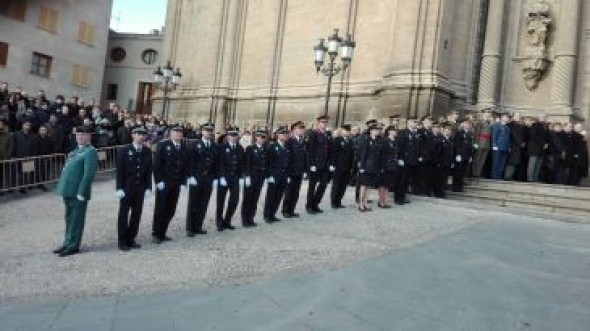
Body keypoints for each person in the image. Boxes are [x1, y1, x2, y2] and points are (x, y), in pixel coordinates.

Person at [53, 126, 98, 257]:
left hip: (78, 191)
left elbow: (88, 174)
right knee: (69, 218)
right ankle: (67, 242)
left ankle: (73, 245)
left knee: (76, 219)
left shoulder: (90, 151)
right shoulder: (74, 151)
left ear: (89, 136)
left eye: (83, 135)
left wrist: (82, 191)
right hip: (68, 190)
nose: (79, 137)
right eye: (78, 135)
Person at [115, 127, 153, 251]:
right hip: (127, 188)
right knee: (123, 215)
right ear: (133, 135)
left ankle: (131, 239)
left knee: (136, 214)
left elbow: (148, 171)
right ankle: (122, 241)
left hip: (140, 188)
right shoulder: (125, 150)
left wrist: (148, 187)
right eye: (138, 134)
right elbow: (120, 171)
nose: (141, 136)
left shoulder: (147, 151)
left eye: (143, 134)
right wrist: (119, 188)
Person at [152, 126, 188, 244]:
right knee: (160, 208)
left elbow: (184, 167)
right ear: (170, 134)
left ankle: (163, 232)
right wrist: (158, 181)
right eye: (175, 132)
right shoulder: (163, 145)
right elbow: (157, 164)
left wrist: (183, 182)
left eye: (180, 132)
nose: (178, 134)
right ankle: (156, 233)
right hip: (164, 183)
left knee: (171, 209)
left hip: (176, 184)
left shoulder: (183, 146)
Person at [186, 123, 218, 235]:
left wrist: (215, 177)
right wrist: (190, 176)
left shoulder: (214, 145)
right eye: (206, 130)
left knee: (204, 203)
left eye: (210, 131)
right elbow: (190, 161)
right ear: (202, 132)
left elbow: (216, 164)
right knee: (193, 203)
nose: (209, 132)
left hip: (209, 178)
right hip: (196, 177)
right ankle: (190, 228)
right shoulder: (195, 144)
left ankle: (198, 226)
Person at [216, 126, 245, 231]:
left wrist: (242, 176)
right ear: (228, 136)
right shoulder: (222, 147)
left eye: (235, 135)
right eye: (231, 135)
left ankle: (227, 220)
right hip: (224, 177)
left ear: (237, 137)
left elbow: (242, 163)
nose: (233, 137)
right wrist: (221, 176)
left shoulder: (240, 148)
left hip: (235, 178)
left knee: (234, 200)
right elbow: (220, 163)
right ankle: (219, 222)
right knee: (220, 201)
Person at [241, 129, 268, 227]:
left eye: (264, 137)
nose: (262, 139)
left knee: (255, 199)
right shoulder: (250, 148)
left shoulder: (264, 149)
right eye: (260, 137)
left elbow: (265, 164)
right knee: (247, 198)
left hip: (259, 177)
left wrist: (265, 177)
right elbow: (247, 163)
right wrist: (247, 176)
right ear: (256, 137)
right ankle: (245, 219)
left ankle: (251, 218)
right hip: (251, 176)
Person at [263, 127, 291, 223]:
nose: (285, 136)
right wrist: (269, 175)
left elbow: (288, 163)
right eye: (283, 134)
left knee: (278, 196)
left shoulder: (287, 147)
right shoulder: (272, 146)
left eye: (286, 134)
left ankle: (273, 214)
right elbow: (268, 162)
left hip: (283, 176)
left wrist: (287, 176)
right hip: (274, 176)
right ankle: (267, 215)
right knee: (270, 196)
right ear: (278, 135)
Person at [306, 115, 332, 214]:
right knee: (312, 186)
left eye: (326, 122)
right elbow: (310, 150)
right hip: (315, 165)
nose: (324, 124)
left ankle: (315, 204)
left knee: (323, 185)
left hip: (324, 165)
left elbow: (328, 150)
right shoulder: (313, 134)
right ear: (318, 123)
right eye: (322, 122)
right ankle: (309, 206)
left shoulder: (327, 135)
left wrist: (330, 163)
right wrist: (311, 164)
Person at [282, 121, 306, 218]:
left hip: (299, 171)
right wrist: (287, 172)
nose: (301, 130)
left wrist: (304, 170)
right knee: (289, 191)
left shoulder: (302, 141)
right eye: (299, 128)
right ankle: (285, 210)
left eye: (302, 128)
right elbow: (287, 158)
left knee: (296, 192)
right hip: (291, 171)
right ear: (294, 130)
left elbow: (304, 157)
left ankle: (292, 210)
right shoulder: (289, 141)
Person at [357, 123, 382, 211]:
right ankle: (360, 204)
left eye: (378, 130)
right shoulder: (367, 140)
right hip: (366, 166)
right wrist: (362, 167)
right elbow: (363, 154)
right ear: (371, 131)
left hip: (374, 167)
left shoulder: (377, 141)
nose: (377, 131)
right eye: (375, 130)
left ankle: (366, 203)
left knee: (368, 186)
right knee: (363, 185)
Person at [330, 124, 355, 209]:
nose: (347, 132)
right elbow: (333, 153)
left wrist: (352, 166)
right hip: (338, 166)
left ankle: (339, 201)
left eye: (348, 131)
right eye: (345, 130)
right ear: (342, 131)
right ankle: (334, 202)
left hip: (347, 167)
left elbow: (352, 155)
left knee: (343, 185)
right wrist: (332, 164)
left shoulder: (350, 141)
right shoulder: (337, 140)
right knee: (336, 185)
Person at [379, 126, 403, 207]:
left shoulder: (395, 141)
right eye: (394, 131)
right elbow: (382, 155)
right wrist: (382, 167)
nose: (396, 132)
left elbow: (396, 153)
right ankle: (381, 201)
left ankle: (385, 201)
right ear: (389, 131)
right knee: (383, 184)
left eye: (396, 131)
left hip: (393, 165)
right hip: (385, 165)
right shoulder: (385, 141)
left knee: (387, 184)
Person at [452, 119, 474, 192]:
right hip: (460, 156)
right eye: (466, 123)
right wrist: (457, 154)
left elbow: (470, 146)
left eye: (469, 124)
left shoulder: (469, 133)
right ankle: (455, 187)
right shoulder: (459, 132)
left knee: (462, 172)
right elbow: (457, 144)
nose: (468, 125)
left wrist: (470, 156)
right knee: (457, 171)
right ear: (463, 124)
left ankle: (460, 187)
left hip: (466, 156)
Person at [491, 113, 511, 180]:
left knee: (502, 162)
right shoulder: (497, 125)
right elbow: (494, 135)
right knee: (496, 162)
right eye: (506, 117)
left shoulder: (507, 128)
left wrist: (509, 147)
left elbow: (508, 138)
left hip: (505, 147)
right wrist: (494, 145)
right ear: (502, 117)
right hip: (498, 146)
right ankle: (494, 175)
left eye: (508, 117)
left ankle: (499, 175)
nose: (507, 118)